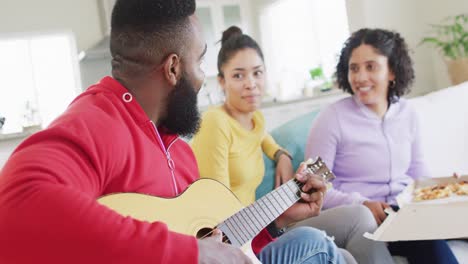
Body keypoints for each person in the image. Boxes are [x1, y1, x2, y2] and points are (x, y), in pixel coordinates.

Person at [0, 1, 343, 264]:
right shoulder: (94, 123)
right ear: (174, 67)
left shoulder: (178, 150)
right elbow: (16, 206)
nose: (202, 78)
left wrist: (274, 221)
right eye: (201, 62)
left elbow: (220, 247)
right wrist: (191, 252)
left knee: (315, 243)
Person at [190, 26, 389, 264]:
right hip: (236, 240)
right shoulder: (215, 122)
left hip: (257, 229)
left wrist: (281, 154)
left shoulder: (255, 119)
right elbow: (214, 209)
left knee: (345, 256)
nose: (251, 84)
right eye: (238, 75)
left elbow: (264, 139)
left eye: (257, 73)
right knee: (349, 225)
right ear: (222, 82)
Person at [305, 28, 459, 264]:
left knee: (436, 243)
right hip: (363, 220)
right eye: (354, 68)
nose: (360, 77)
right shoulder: (332, 118)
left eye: (371, 66)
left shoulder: (407, 113)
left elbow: (417, 171)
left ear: (392, 71)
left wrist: (445, 187)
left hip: (404, 214)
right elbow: (314, 189)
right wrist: (360, 203)